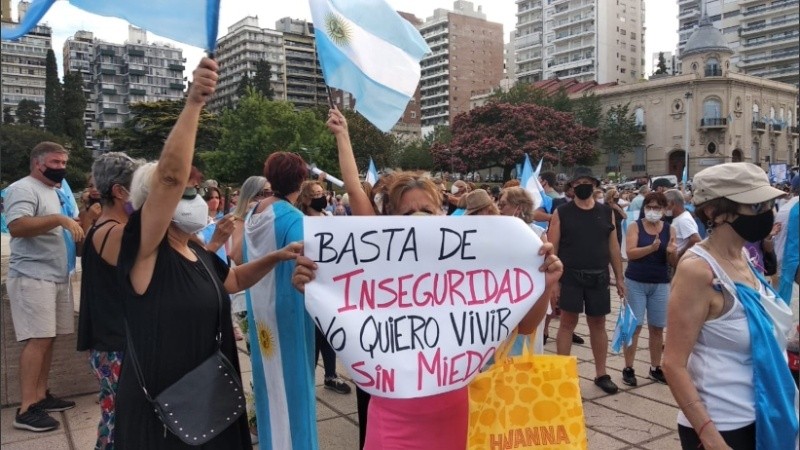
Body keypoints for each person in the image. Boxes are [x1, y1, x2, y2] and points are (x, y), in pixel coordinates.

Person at [291, 170, 562, 450]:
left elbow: (526, 328)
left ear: (441, 214)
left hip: (464, 416)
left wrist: (545, 283)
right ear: (391, 220)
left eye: (427, 210)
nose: (419, 218)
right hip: (392, 420)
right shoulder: (372, 273)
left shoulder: (469, 268)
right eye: (408, 213)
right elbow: (344, 318)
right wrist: (315, 288)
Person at [114, 58, 300, 449]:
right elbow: (169, 176)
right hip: (167, 410)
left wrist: (277, 256)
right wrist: (194, 102)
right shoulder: (145, 251)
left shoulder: (195, 246)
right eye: (186, 192)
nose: (197, 200)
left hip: (210, 397)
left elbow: (232, 281)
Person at [662, 162, 798, 450]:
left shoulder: (745, 257)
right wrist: (710, 438)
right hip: (724, 426)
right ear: (714, 211)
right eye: (755, 206)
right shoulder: (698, 271)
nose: (766, 214)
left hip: (764, 411)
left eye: (768, 204)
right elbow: (673, 364)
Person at [6, 141, 83, 432]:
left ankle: (40, 395)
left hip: (55, 274)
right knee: (37, 339)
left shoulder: (56, 191)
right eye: (55, 162)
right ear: (38, 163)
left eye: (64, 162)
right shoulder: (23, 189)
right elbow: (17, 226)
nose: (61, 167)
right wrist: (59, 219)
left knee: (48, 338)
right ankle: (26, 408)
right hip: (32, 276)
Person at [243, 151, 318, 450]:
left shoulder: (254, 212)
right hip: (289, 309)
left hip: (259, 309)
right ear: (300, 180)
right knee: (297, 388)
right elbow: (313, 263)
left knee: (269, 386)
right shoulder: (293, 218)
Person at [76, 152, 141, 448]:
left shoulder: (98, 228)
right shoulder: (115, 232)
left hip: (108, 340)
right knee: (121, 421)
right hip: (117, 343)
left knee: (114, 416)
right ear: (119, 191)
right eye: (138, 187)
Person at [548, 167, 626, 395]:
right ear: (571, 187)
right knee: (567, 324)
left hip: (599, 276)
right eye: (578, 182)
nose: (583, 185)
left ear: (595, 185)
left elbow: (613, 246)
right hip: (570, 276)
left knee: (598, 324)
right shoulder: (561, 212)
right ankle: (563, 377)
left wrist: (619, 277)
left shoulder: (606, 212)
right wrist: (553, 283)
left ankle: (601, 373)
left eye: (587, 181)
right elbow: (552, 249)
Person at [295, 180, 352, 395]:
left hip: (330, 284)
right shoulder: (300, 221)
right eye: (317, 193)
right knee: (313, 337)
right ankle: (308, 380)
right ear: (307, 198)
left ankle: (330, 375)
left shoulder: (328, 217)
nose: (322, 197)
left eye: (323, 193)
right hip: (310, 283)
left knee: (328, 334)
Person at [621, 192, 676, 387]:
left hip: (660, 282)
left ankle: (655, 367)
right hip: (636, 281)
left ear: (664, 210)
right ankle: (628, 367)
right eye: (650, 207)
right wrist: (651, 249)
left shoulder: (670, 229)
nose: (653, 211)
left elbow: (672, 260)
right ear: (645, 208)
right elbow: (630, 253)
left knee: (657, 327)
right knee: (634, 326)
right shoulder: (635, 226)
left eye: (657, 208)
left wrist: (671, 253)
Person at [665, 189, 701, 260]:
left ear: (672, 203)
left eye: (665, 204)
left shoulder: (683, 219)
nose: (664, 208)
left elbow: (696, 239)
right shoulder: (680, 218)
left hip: (681, 260)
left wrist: (679, 254)